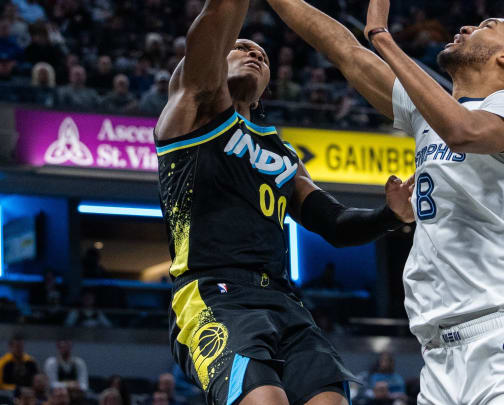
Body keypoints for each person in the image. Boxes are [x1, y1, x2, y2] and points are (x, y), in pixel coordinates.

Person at [266, 1, 504, 404]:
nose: (468, 25)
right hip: (439, 357)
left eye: (487, 25)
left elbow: (462, 130)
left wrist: (383, 38)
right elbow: (344, 51)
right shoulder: (429, 113)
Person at [153, 1, 414, 405]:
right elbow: (214, 21)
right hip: (214, 293)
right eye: (241, 47)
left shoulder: (284, 156)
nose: (255, 53)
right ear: (214, 61)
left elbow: (334, 222)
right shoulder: (192, 107)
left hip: (282, 300)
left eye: (262, 55)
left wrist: (389, 216)